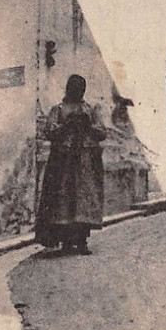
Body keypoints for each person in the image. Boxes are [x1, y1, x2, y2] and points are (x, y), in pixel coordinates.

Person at [35, 74, 107, 255]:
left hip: (84, 163)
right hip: (63, 163)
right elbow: (49, 132)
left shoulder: (90, 109)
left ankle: (82, 241)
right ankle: (66, 242)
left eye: (80, 88)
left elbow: (101, 132)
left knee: (82, 201)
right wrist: (67, 125)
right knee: (63, 202)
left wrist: (87, 125)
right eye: (74, 87)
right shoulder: (58, 109)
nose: (78, 91)